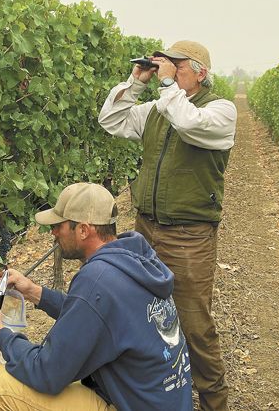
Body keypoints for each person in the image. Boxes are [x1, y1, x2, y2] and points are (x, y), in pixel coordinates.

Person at [0, 182, 193, 411]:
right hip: (160, 401)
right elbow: (96, 316)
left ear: (84, 230)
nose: (53, 232)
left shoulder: (97, 279)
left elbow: (46, 372)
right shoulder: (134, 258)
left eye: (59, 226)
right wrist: (34, 292)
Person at [98, 40, 237, 410]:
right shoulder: (160, 108)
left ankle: (213, 402)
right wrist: (137, 80)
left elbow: (188, 123)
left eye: (177, 65)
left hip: (189, 237)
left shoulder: (220, 111)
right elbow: (111, 120)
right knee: (138, 313)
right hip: (145, 230)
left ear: (200, 73)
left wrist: (165, 86)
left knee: (194, 326)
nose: (169, 70)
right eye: (166, 64)